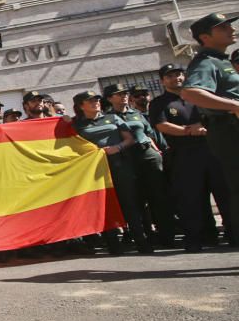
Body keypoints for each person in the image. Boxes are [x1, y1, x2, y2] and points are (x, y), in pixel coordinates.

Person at [150, 63, 233, 251]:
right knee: (192, 199)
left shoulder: (198, 97)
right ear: (163, 81)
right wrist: (189, 131)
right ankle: (199, 238)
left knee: (225, 194)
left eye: (179, 74)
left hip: (212, 151)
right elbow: (162, 125)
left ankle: (234, 235)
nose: (176, 78)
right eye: (170, 76)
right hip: (185, 155)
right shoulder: (160, 103)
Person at [181, 12, 239, 248]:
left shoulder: (222, 60)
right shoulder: (205, 62)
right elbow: (191, 92)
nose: (231, 29)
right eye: (223, 27)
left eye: (229, 25)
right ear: (205, 37)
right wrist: (235, 105)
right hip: (229, 131)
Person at [72, 90, 150, 254]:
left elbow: (130, 139)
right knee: (104, 206)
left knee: (130, 204)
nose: (95, 103)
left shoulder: (112, 118)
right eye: (90, 101)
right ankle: (113, 244)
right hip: (95, 171)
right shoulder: (77, 125)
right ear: (81, 106)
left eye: (96, 100)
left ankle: (141, 241)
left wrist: (118, 147)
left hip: (120, 165)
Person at [104, 82, 174, 247]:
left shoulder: (136, 113)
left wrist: (160, 151)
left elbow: (151, 134)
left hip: (147, 156)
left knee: (158, 196)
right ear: (109, 98)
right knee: (136, 200)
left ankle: (167, 235)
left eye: (125, 93)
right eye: (119, 94)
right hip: (127, 159)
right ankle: (146, 235)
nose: (124, 96)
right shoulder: (107, 118)